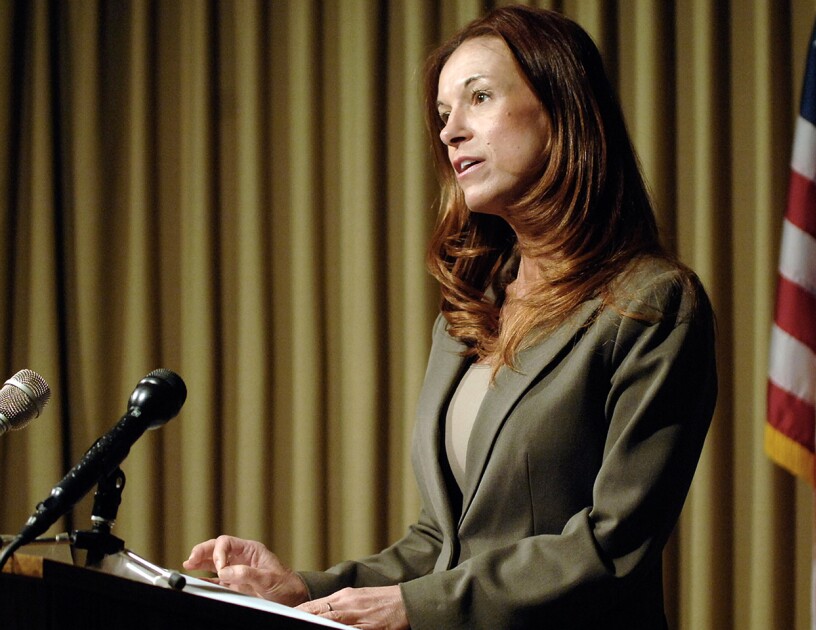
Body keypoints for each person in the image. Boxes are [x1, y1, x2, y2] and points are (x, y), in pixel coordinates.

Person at [184, 5, 717, 629]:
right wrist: (304, 589)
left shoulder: (651, 303)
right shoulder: (472, 309)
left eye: (479, 98)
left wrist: (416, 607)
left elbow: (612, 547)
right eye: (443, 114)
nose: (449, 132)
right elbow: (442, 542)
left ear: (563, 108)